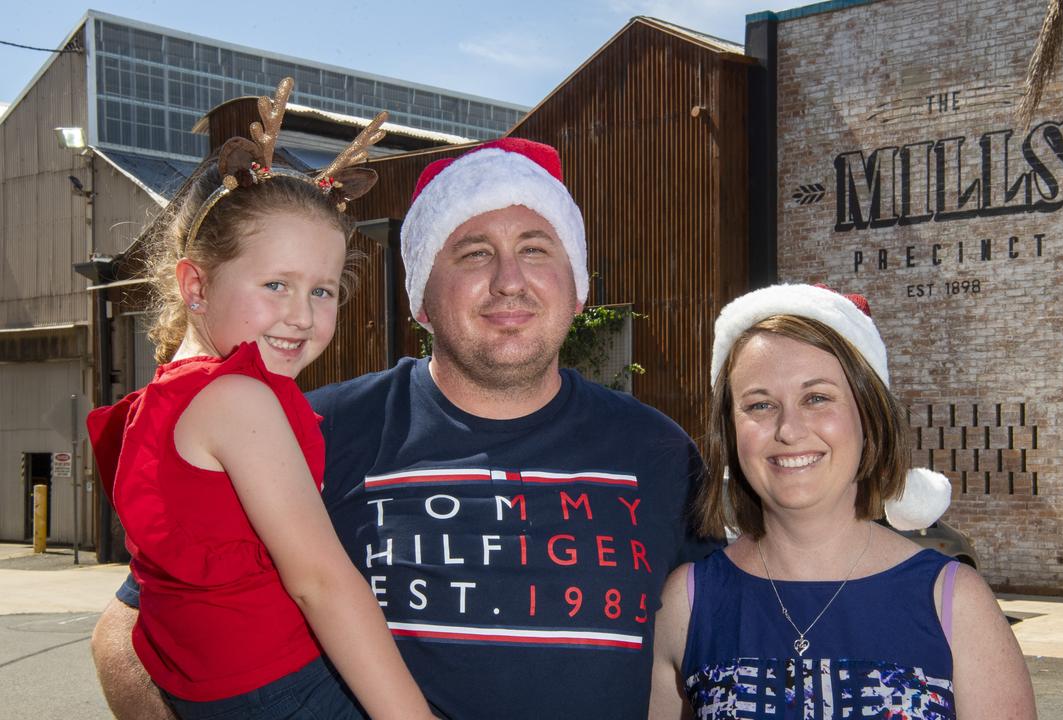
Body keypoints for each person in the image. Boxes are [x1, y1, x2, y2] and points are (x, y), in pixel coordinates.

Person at [92, 136, 718, 719]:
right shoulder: (316, 428)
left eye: (535, 248)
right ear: (420, 296)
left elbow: (711, 645)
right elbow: (135, 623)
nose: (509, 280)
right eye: (474, 253)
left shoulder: (660, 450)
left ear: (577, 286)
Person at [85, 78, 434, 719]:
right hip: (285, 691)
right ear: (195, 285)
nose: (300, 316)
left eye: (323, 291)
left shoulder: (160, 398)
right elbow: (320, 583)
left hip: (206, 693)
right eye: (276, 283)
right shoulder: (241, 398)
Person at [648, 283, 1036, 720]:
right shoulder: (687, 601)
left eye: (816, 398)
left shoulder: (954, 602)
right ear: (730, 431)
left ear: (868, 417)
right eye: (759, 404)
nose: (789, 429)